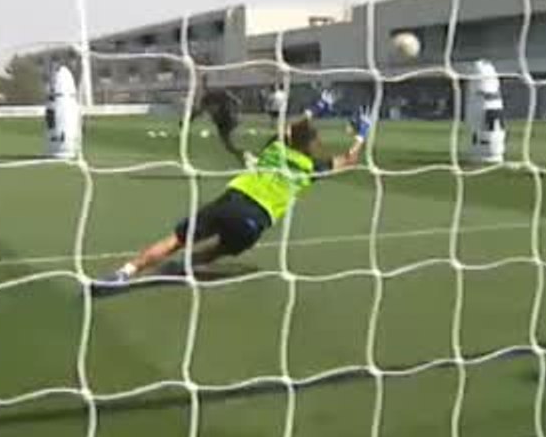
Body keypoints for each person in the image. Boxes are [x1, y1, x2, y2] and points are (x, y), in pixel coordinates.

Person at [92, 103, 371, 295]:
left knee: (176, 239)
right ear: (311, 146)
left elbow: (289, 128)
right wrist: (361, 135)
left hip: (232, 201)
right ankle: (185, 267)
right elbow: (348, 160)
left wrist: (314, 110)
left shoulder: (274, 149)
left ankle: (125, 272)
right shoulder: (311, 169)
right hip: (255, 221)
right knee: (222, 249)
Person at [189, 78, 247, 165]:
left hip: (226, 120)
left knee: (228, 144)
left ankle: (243, 155)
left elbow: (231, 98)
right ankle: (242, 155)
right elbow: (199, 112)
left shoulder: (212, 97)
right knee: (228, 146)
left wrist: (235, 107)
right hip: (222, 122)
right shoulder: (208, 98)